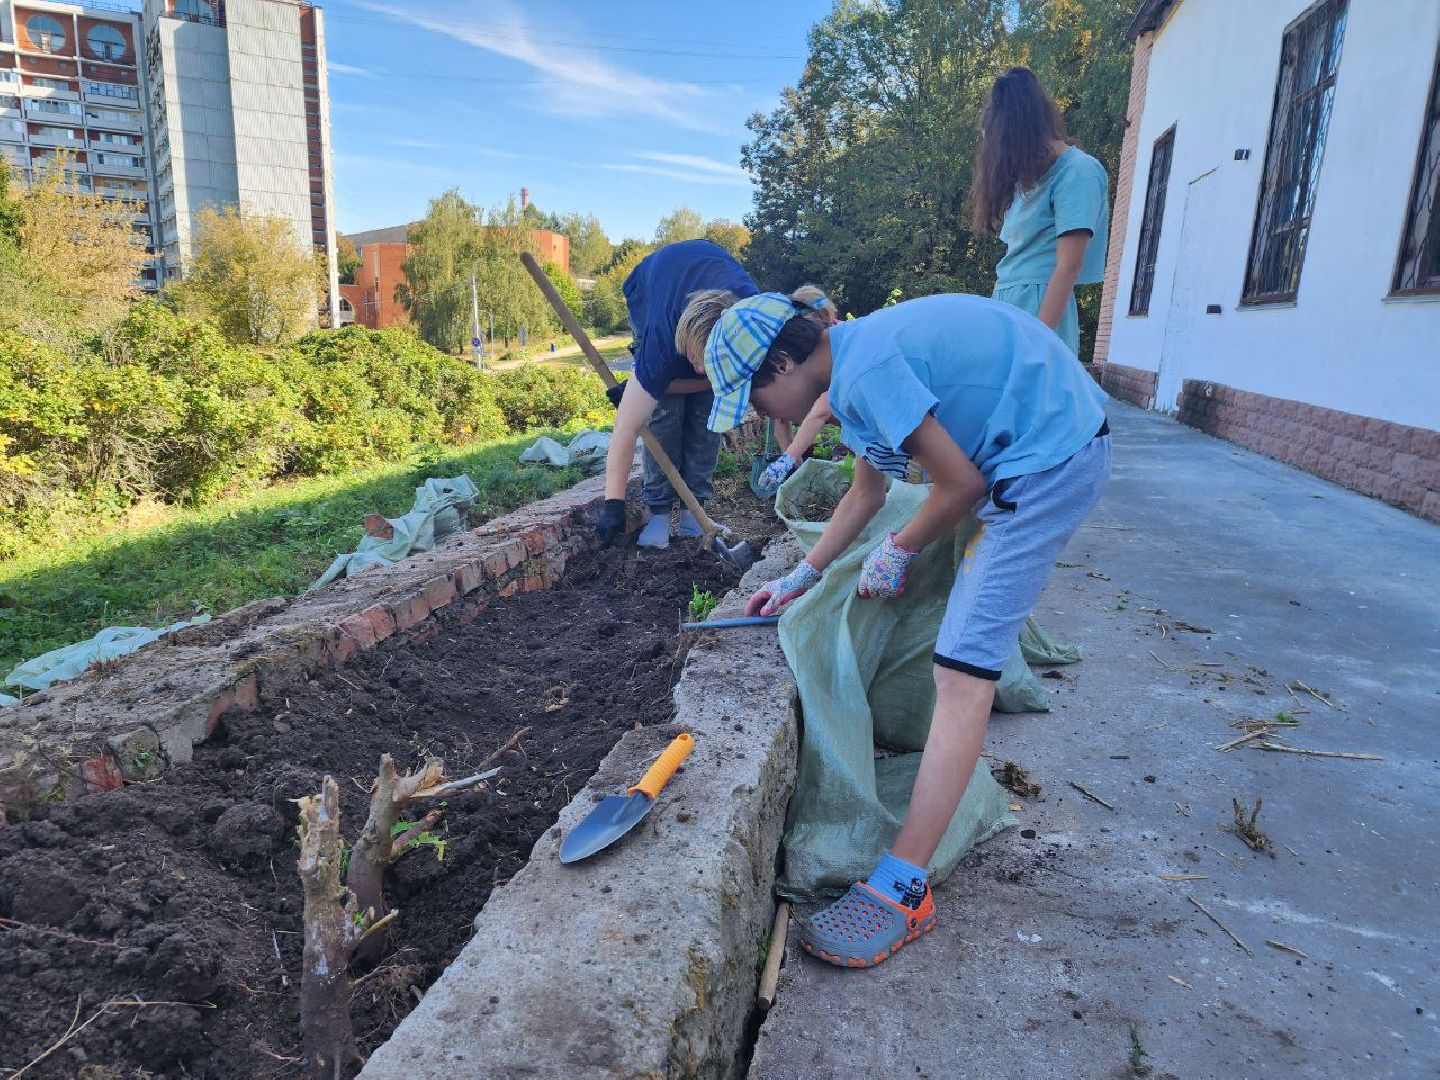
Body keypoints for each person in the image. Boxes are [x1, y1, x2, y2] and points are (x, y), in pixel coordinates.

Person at [702, 291, 1110, 967]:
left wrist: (901, 549)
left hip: (1048, 461)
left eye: (752, 398)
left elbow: (959, 486)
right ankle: (906, 875)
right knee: (961, 658)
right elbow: (868, 491)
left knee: (961, 671)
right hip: (1044, 441)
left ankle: (902, 888)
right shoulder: (853, 361)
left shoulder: (863, 371)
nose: (758, 415)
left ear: (780, 363)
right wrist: (801, 576)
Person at [594, 239, 757, 549]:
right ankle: (657, 514)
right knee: (663, 413)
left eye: (706, 364)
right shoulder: (661, 338)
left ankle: (693, 514)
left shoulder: (753, 320)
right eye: (693, 360)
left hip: (705, 279)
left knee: (707, 416)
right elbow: (626, 428)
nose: (697, 370)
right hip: (653, 292)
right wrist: (612, 505)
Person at [972, 67, 1110, 357]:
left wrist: (1037, 341)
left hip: (1041, 306)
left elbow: (1068, 266)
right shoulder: (1031, 179)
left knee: (1036, 399)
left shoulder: (1078, 172)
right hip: (1009, 301)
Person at [755, 286, 841, 496]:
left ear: (826, 317)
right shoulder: (795, 354)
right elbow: (781, 421)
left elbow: (824, 406)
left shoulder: (840, 344)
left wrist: (787, 459)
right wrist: (798, 473)